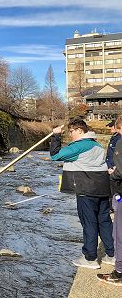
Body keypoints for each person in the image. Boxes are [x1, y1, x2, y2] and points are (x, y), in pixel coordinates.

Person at [50, 119, 114, 269]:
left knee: (89, 222)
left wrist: (56, 136)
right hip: (102, 188)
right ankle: (112, 255)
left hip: (86, 190)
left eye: (71, 131)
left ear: (79, 130)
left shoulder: (79, 146)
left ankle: (90, 258)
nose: (71, 134)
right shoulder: (97, 145)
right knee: (104, 221)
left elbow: (55, 155)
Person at [97, 115, 122, 286]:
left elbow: (120, 171)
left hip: (121, 194)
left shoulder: (120, 142)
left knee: (119, 234)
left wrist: (113, 172)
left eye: (118, 128)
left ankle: (119, 273)